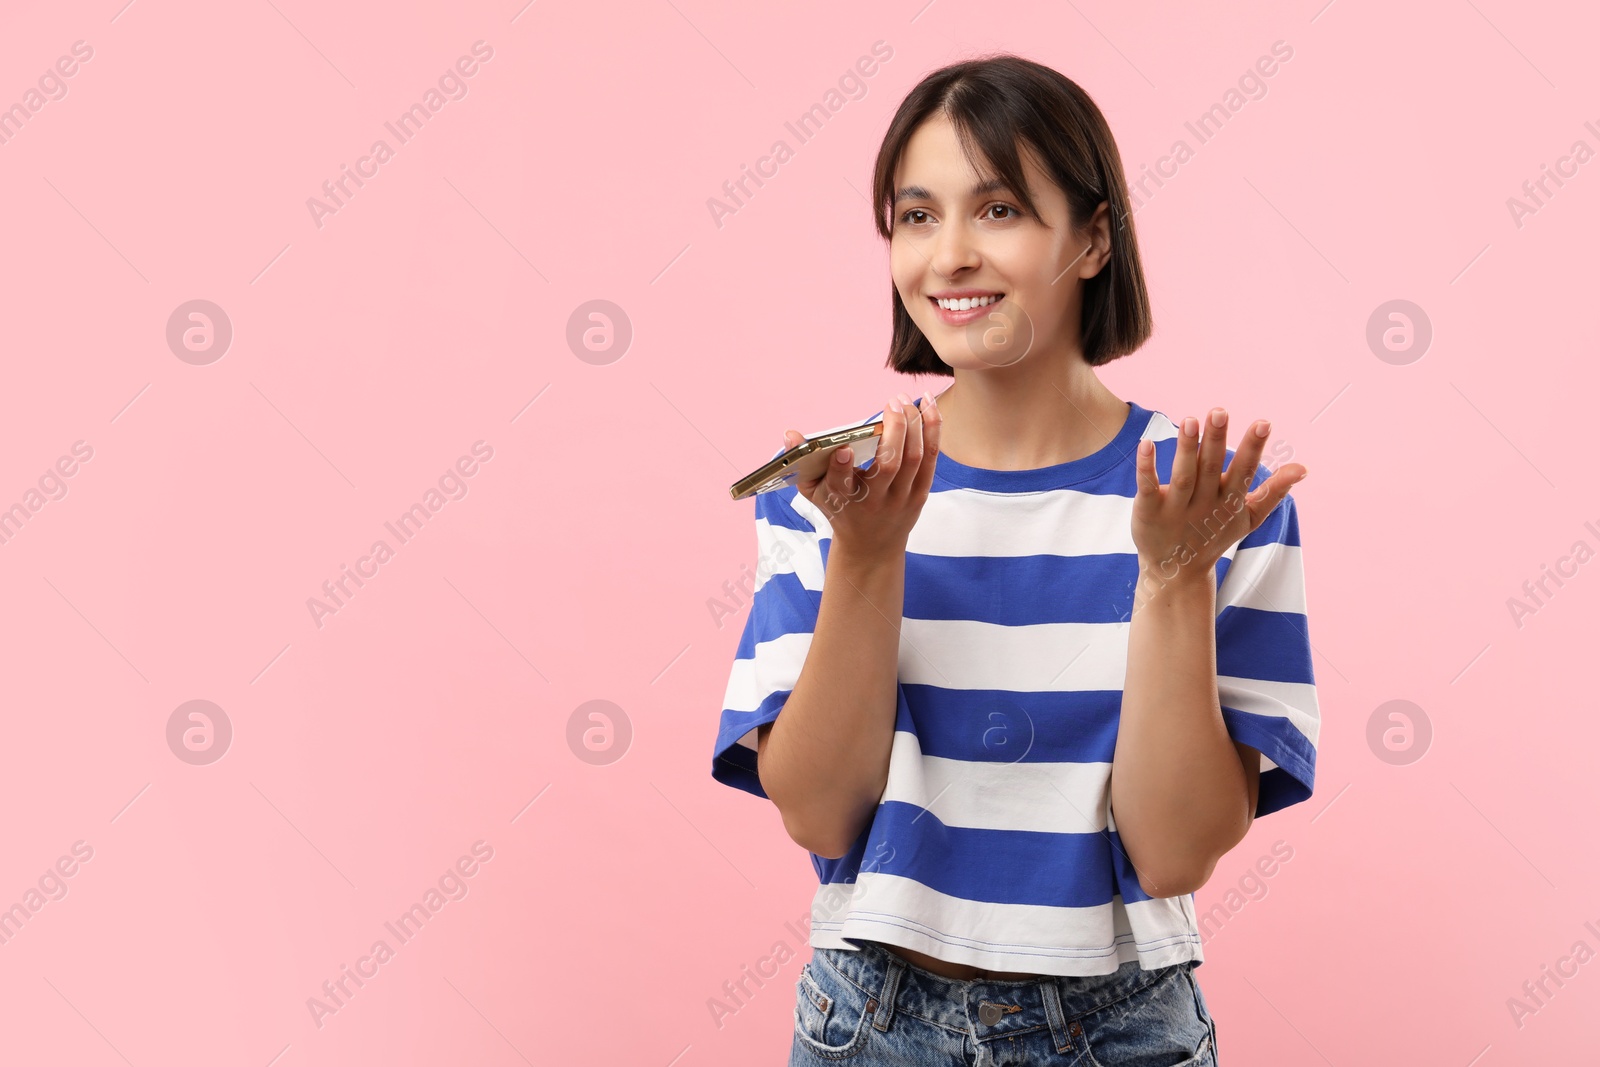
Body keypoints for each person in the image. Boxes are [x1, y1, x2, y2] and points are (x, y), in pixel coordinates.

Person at [711, 54, 1318, 1066]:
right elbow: (816, 811)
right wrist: (867, 559)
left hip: (1124, 1026)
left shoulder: (1201, 497)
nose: (947, 255)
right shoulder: (832, 489)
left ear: (1090, 238)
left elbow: (1172, 850)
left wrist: (1171, 582)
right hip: (871, 1019)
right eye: (914, 216)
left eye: (995, 210)